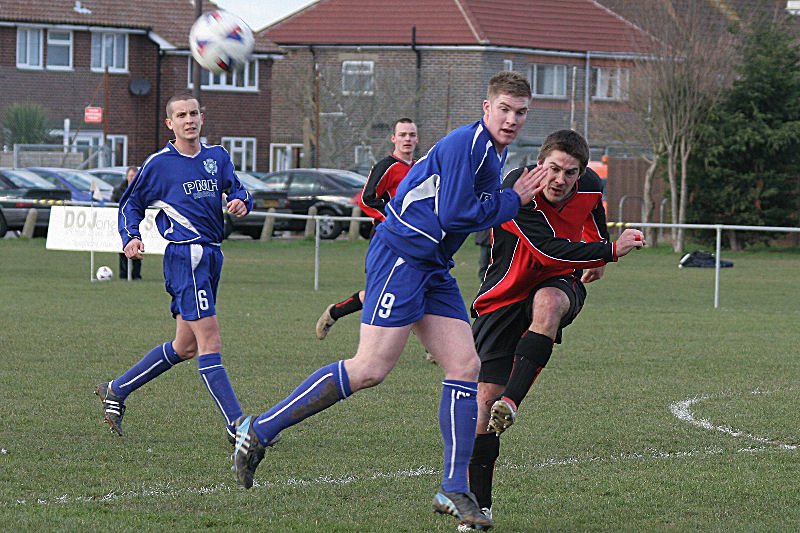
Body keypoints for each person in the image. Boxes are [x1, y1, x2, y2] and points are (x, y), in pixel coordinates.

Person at [230, 71, 544, 531]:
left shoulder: (492, 154)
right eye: (505, 109)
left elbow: (464, 211)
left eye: (520, 113)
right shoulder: (467, 144)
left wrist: (507, 198)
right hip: (401, 255)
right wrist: (511, 201)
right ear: (486, 107)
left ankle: (453, 487)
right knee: (369, 369)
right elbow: (456, 212)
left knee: (465, 367)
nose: (512, 119)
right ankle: (257, 431)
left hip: (431, 264)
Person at [463, 129, 645, 529]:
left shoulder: (589, 185)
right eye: (554, 169)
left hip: (558, 282)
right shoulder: (517, 188)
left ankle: (511, 402)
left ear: (580, 173)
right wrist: (610, 252)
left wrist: (599, 249)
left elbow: (594, 217)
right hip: (503, 296)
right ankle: (479, 509)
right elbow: (547, 248)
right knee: (481, 407)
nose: (560, 179)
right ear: (540, 164)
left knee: (549, 302)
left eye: (570, 172)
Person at [94, 92, 253, 444]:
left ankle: (116, 390)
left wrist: (242, 203)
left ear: (202, 118)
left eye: (194, 113)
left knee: (185, 346)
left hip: (212, 256)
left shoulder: (217, 157)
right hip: (186, 257)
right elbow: (130, 204)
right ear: (170, 123)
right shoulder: (160, 163)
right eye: (181, 115)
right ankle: (238, 427)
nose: (189, 120)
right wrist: (130, 236)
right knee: (210, 340)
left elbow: (239, 191)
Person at [315, 118, 419, 340]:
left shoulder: (420, 168)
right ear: (393, 139)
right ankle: (335, 312)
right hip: (387, 240)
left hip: (413, 241)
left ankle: (433, 348)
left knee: (417, 288)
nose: (407, 139)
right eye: (402, 135)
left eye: (411, 135)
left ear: (417, 138)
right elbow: (366, 199)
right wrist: (394, 221)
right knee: (377, 294)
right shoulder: (386, 166)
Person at [111, 166, 142, 280]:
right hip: (123, 222)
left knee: (137, 248)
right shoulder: (120, 189)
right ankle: (123, 274)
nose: (132, 178)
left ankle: (136, 275)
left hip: (136, 223)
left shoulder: (142, 188)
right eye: (130, 176)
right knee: (123, 249)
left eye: (134, 176)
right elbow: (115, 200)